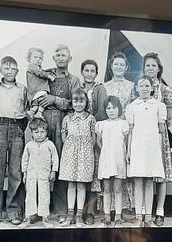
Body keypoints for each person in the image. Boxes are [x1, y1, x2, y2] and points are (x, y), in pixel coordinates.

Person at [34, 45, 82, 219]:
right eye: (58, 55)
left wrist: (55, 99)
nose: (61, 58)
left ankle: (61, 209)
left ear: (70, 58)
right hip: (44, 120)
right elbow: (35, 94)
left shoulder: (74, 80)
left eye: (64, 55)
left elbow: (75, 103)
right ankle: (40, 209)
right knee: (43, 162)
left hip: (63, 121)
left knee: (62, 163)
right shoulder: (45, 75)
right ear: (53, 58)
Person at [0, 56, 29, 225]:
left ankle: (14, 212)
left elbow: (27, 109)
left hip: (16, 128)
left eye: (13, 69)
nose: (10, 71)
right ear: (1, 70)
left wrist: (20, 125)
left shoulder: (22, 89)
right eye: (6, 68)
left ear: (17, 71)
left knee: (16, 172)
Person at [126, 77, 166, 227]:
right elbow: (130, 131)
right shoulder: (132, 106)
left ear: (151, 88)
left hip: (152, 148)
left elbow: (161, 132)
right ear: (136, 88)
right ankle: (138, 217)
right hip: (137, 147)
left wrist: (159, 151)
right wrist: (129, 150)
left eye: (147, 86)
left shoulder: (158, 106)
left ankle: (148, 217)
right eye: (141, 85)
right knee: (138, 182)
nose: (144, 88)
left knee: (149, 182)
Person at [142, 52, 172, 227]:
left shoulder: (167, 90)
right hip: (142, 137)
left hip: (159, 137)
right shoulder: (139, 87)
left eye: (153, 65)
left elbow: (168, 118)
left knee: (160, 175)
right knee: (144, 174)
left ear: (159, 68)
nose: (150, 68)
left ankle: (160, 212)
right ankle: (144, 211)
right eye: (147, 65)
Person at [102, 52, 136, 219]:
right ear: (111, 66)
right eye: (116, 64)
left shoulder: (131, 85)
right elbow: (104, 107)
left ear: (126, 67)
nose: (119, 67)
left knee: (122, 167)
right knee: (109, 171)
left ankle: (126, 208)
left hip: (124, 127)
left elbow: (132, 107)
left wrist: (124, 123)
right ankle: (109, 210)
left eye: (122, 64)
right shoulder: (105, 85)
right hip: (109, 127)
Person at [58, 88, 96, 227]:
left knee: (81, 184)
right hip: (70, 153)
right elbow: (63, 134)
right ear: (72, 102)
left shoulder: (90, 118)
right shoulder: (67, 118)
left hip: (85, 154)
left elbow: (93, 137)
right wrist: (71, 146)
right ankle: (70, 214)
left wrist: (86, 149)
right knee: (71, 183)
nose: (78, 104)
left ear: (86, 102)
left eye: (82, 101)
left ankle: (79, 214)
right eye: (76, 101)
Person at [80, 59, 109, 224]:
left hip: (95, 131)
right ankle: (78, 210)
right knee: (81, 171)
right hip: (79, 135)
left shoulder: (100, 88)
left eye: (92, 71)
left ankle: (90, 211)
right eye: (86, 70)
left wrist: (90, 123)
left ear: (96, 73)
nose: (89, 73)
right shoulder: (79, 88)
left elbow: (102, 111)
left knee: (93, 173)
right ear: (82, 72)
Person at [95, 96, 130, 226]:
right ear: (105, 110)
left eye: (114, 108)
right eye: (108, 108)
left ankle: (118, 217)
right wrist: (105, 151)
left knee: (118, 189)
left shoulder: (123, 124)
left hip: (119, 159)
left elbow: (125, 143)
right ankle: (107, 216)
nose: (111, 110)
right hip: (106, 160)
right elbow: (98, 141)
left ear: (119, 109)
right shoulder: (102, 124)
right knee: (107, 189)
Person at [20, 118, 59, 228]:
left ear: (46, 132)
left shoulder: (50, 145)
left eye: (42, 132)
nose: (39, 135)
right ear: (31, 133)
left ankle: (45, 217)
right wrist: (24, 173)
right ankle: (29, 217)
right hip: (31, 175)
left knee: (44, 195)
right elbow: (25, 160)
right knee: (30, 195)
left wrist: (53, 171)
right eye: (36, 132)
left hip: (44, 175)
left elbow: (55, 159)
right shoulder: (29, 145)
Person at [25, 47, 57, 120]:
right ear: (29, 59)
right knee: (44, 100)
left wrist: (49, 70)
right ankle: (39, 113)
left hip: (35, 91)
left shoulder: (34, 68)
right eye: (35, 57)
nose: (38, 59)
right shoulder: (32, 67)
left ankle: (32, 111)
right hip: (38, 89)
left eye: (40, 58)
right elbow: (40, 73)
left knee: (38, 102)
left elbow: (41, 71)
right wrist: (49, 76)